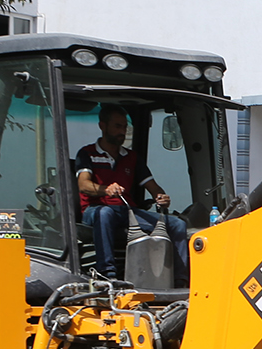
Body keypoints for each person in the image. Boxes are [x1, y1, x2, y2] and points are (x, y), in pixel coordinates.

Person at [76, 106, 190, 282]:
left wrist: (161, 197)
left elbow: (154, 187)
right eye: (117, 126)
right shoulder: (86, 154)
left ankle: (181, 280)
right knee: (104, 213)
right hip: (94, 210)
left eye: (125, 128)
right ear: (102, 126)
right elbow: (83, 185)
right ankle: (107, 276)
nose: (122, 132)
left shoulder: (132, 158)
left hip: (127, 211)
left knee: (177, 224)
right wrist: (106, 189)